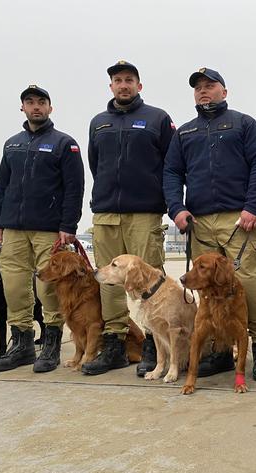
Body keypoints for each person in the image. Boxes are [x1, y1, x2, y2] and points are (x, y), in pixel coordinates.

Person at [163, 67, 256, 381]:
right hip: (199, 221)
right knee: (207, 289)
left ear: (224, 91)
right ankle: (221, 351)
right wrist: (177, 209)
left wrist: (254, 207)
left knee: (248, 281)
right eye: (198, 87)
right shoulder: (184, 132)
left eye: (210, 85)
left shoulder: (243, 124)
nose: (203, 91)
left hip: (238, 219)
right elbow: (171, 173)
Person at [85, 60, 175, 376]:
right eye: (118, 80)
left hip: (145, 212)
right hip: (107, 212)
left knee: (150, 278)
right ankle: (114, 343)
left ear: (139, 85)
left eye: (129, 80)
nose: (123, 85)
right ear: (111, 86)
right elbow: (96, 164)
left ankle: (153, 343)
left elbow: (170, 165)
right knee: (109, 279)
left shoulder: (158, 119)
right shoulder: (98, 122)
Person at [0, 85, 85, 373]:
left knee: (48, 289)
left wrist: (68, 225)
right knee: (15, 287)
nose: (36, 107)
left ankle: (52, 343)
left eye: (41, 102)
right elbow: (2, 186)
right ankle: (21, 344)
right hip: (13, 229)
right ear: (22, 107)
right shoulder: (12, 144)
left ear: (50, 108)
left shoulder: (63, 143)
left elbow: (74, 188)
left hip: (48, 229)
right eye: (30, 102)